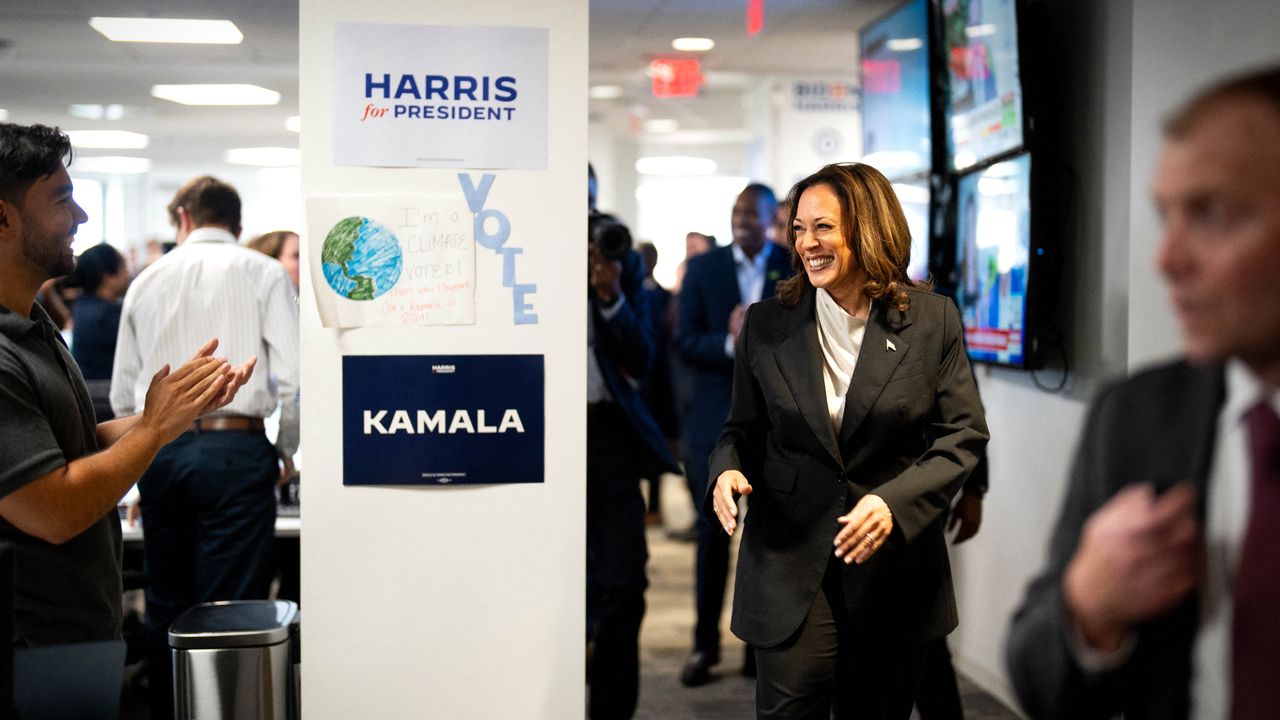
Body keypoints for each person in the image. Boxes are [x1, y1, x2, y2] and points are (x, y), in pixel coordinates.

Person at [1006, 66, 1280, 720]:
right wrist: (1087, 609)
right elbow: (1037, 676)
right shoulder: (1135, 415)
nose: (1166, 259)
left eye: (1211, 213)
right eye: (1166, 216)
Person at [709, 163, 989, 718]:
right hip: (789, 559)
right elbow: (739, 430)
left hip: (892, 571)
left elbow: (962, 436)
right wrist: (726, 469)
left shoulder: (932, 321)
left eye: (823, 228)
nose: (806, 243)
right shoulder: (766, 325)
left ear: (867, 228)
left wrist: (893, 502)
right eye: (797, 229)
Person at [0, 122, 251, 646]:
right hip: (26, 645)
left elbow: (73, 451)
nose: (81, 216)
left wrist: (171, 414)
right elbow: (54, 509)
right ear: (3, 218)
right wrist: (153, 430)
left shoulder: (34, 327)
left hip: (69, 631)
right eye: (62, 199)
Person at [111, 175, 299, 720]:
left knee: (166, 601)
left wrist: (135, 464)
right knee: (231, 608)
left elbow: (125, 390)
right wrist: (285, 450)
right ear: (236, 224)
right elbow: (291, 380)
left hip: (162, 453)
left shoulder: (147, 279)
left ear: (184, 219)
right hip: (236, 451)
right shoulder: (262, 272)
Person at [676, 183, 793, 686]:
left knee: (765, 540)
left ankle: (756, 647)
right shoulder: (705, 269)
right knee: (712, 536)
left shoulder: (791, 266)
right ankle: (704, 647)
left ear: (771, 219)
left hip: (775, 426)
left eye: (752, 213)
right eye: (737, 212)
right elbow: (682, 341)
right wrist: (729, 340)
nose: (742, 220)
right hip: (715, 422)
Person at [585, 196, 680, 717]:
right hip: (534, 432)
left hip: (608, 432)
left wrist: (609, 296)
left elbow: (644, 355)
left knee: (624, 580)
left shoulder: (622, 262)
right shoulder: (521, 251)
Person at [65, 242, 130, 420]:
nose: (128, 273)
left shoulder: (83, 304)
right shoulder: (109, 315)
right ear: (108, 275)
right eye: (124, 266)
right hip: (105, 400)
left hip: (88, 395)